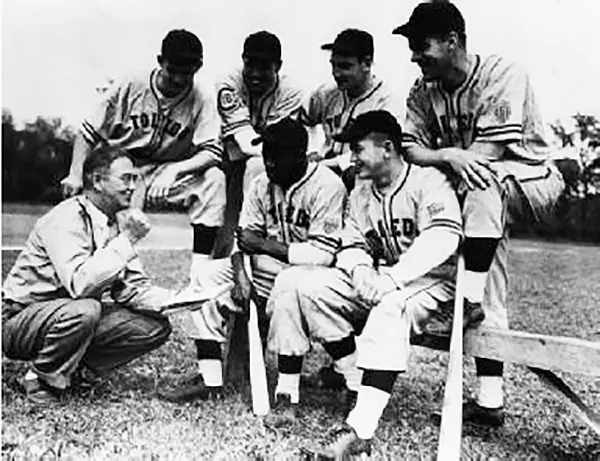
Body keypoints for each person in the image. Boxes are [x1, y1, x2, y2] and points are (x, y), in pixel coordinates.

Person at [394, 2, 565, 426]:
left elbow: (485, 157)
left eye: (422, 46)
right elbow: (409, 149)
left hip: (531, 177)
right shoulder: (423, 90)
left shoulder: (501, 73)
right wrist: (448, 153)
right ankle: (490, 401)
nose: (415, 56)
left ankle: (464, 299)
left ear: (453, 40)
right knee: (491, 283)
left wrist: (447, 162)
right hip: (479, 195)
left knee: (481, 179)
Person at [283, 110, 463, 458]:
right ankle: (354, 378)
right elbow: (351, 242)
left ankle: (360, 428)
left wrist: (392, 278)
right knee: (310, 288)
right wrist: (362, 271)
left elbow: (444, 237)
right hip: (382, 277)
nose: (353, 158)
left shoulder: (428, 181)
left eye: (359, 149)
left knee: (390, 305)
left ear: (387, 148)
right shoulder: (362, 191)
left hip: (433, 280)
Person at [158, 118, 347, 403]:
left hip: (310, 279)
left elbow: (323, 254)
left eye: (277, 156)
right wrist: (240, 276)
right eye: (267, 155)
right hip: (264, 270)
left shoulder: (328, 186)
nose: (269, 163)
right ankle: (210, 381)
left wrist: (263, 245)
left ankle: (297, 388)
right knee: (205, 276)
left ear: (300, 156)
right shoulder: (261, 184)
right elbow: (243, 237)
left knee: (290, 282)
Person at [2, 147, 173, 405]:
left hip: (68, 314)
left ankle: (75, 371)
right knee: (86, 309)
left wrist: (182, 299)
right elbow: (80, 285)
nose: (132, 186)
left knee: (153, 327)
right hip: (20, 319)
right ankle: (39, 379)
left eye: (135, 179)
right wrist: (127, 240)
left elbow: (133, 288)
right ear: (97, 181)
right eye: (125, 178)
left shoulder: (112, 221)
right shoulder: (66, 217)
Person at [60, 29, 226, 283]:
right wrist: (74, 173)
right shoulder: (131, 84)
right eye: (173, 70)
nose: (180, 79)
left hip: (165, 171)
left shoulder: (202, 98)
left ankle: (199, 274)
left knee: (214, 179)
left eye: (187, 72)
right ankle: (93, 272)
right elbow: (88, 132)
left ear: (199, 66)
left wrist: (176, 170)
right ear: (160, 61)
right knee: (115, 228)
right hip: (121, 165)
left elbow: (213, 152)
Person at [213, 31, 304, 257]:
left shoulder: (290, 91)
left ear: (278, 66)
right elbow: (244, 141)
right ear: (242, 60)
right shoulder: (229, 83)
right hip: (230, 153)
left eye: (264, 67)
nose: (255, 73)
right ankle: (220, 260)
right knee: (224, 216)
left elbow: (279, 141)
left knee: (257, 169)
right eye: (250, 64)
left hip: (261, 161)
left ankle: (252, 249)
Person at [300, 28, 403, 190]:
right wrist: (310, 149)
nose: (337, 73)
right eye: (333, 65)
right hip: (322, 171)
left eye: (345, 66)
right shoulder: (326, 93)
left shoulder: (386, 101)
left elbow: (378, 154)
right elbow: (300, 123)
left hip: (359, 175)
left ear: (367, 64)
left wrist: (324, 165)